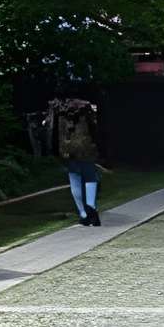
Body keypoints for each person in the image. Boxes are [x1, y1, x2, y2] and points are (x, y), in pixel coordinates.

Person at [40, 90, 105, 226]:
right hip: (85, 146)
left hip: (66, 148)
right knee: (90, 177)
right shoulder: (85, 106)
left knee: (74, 177)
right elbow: (95, 126)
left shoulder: (56, 107)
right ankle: (91, 207)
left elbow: (50, 127)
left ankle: (83, 214)